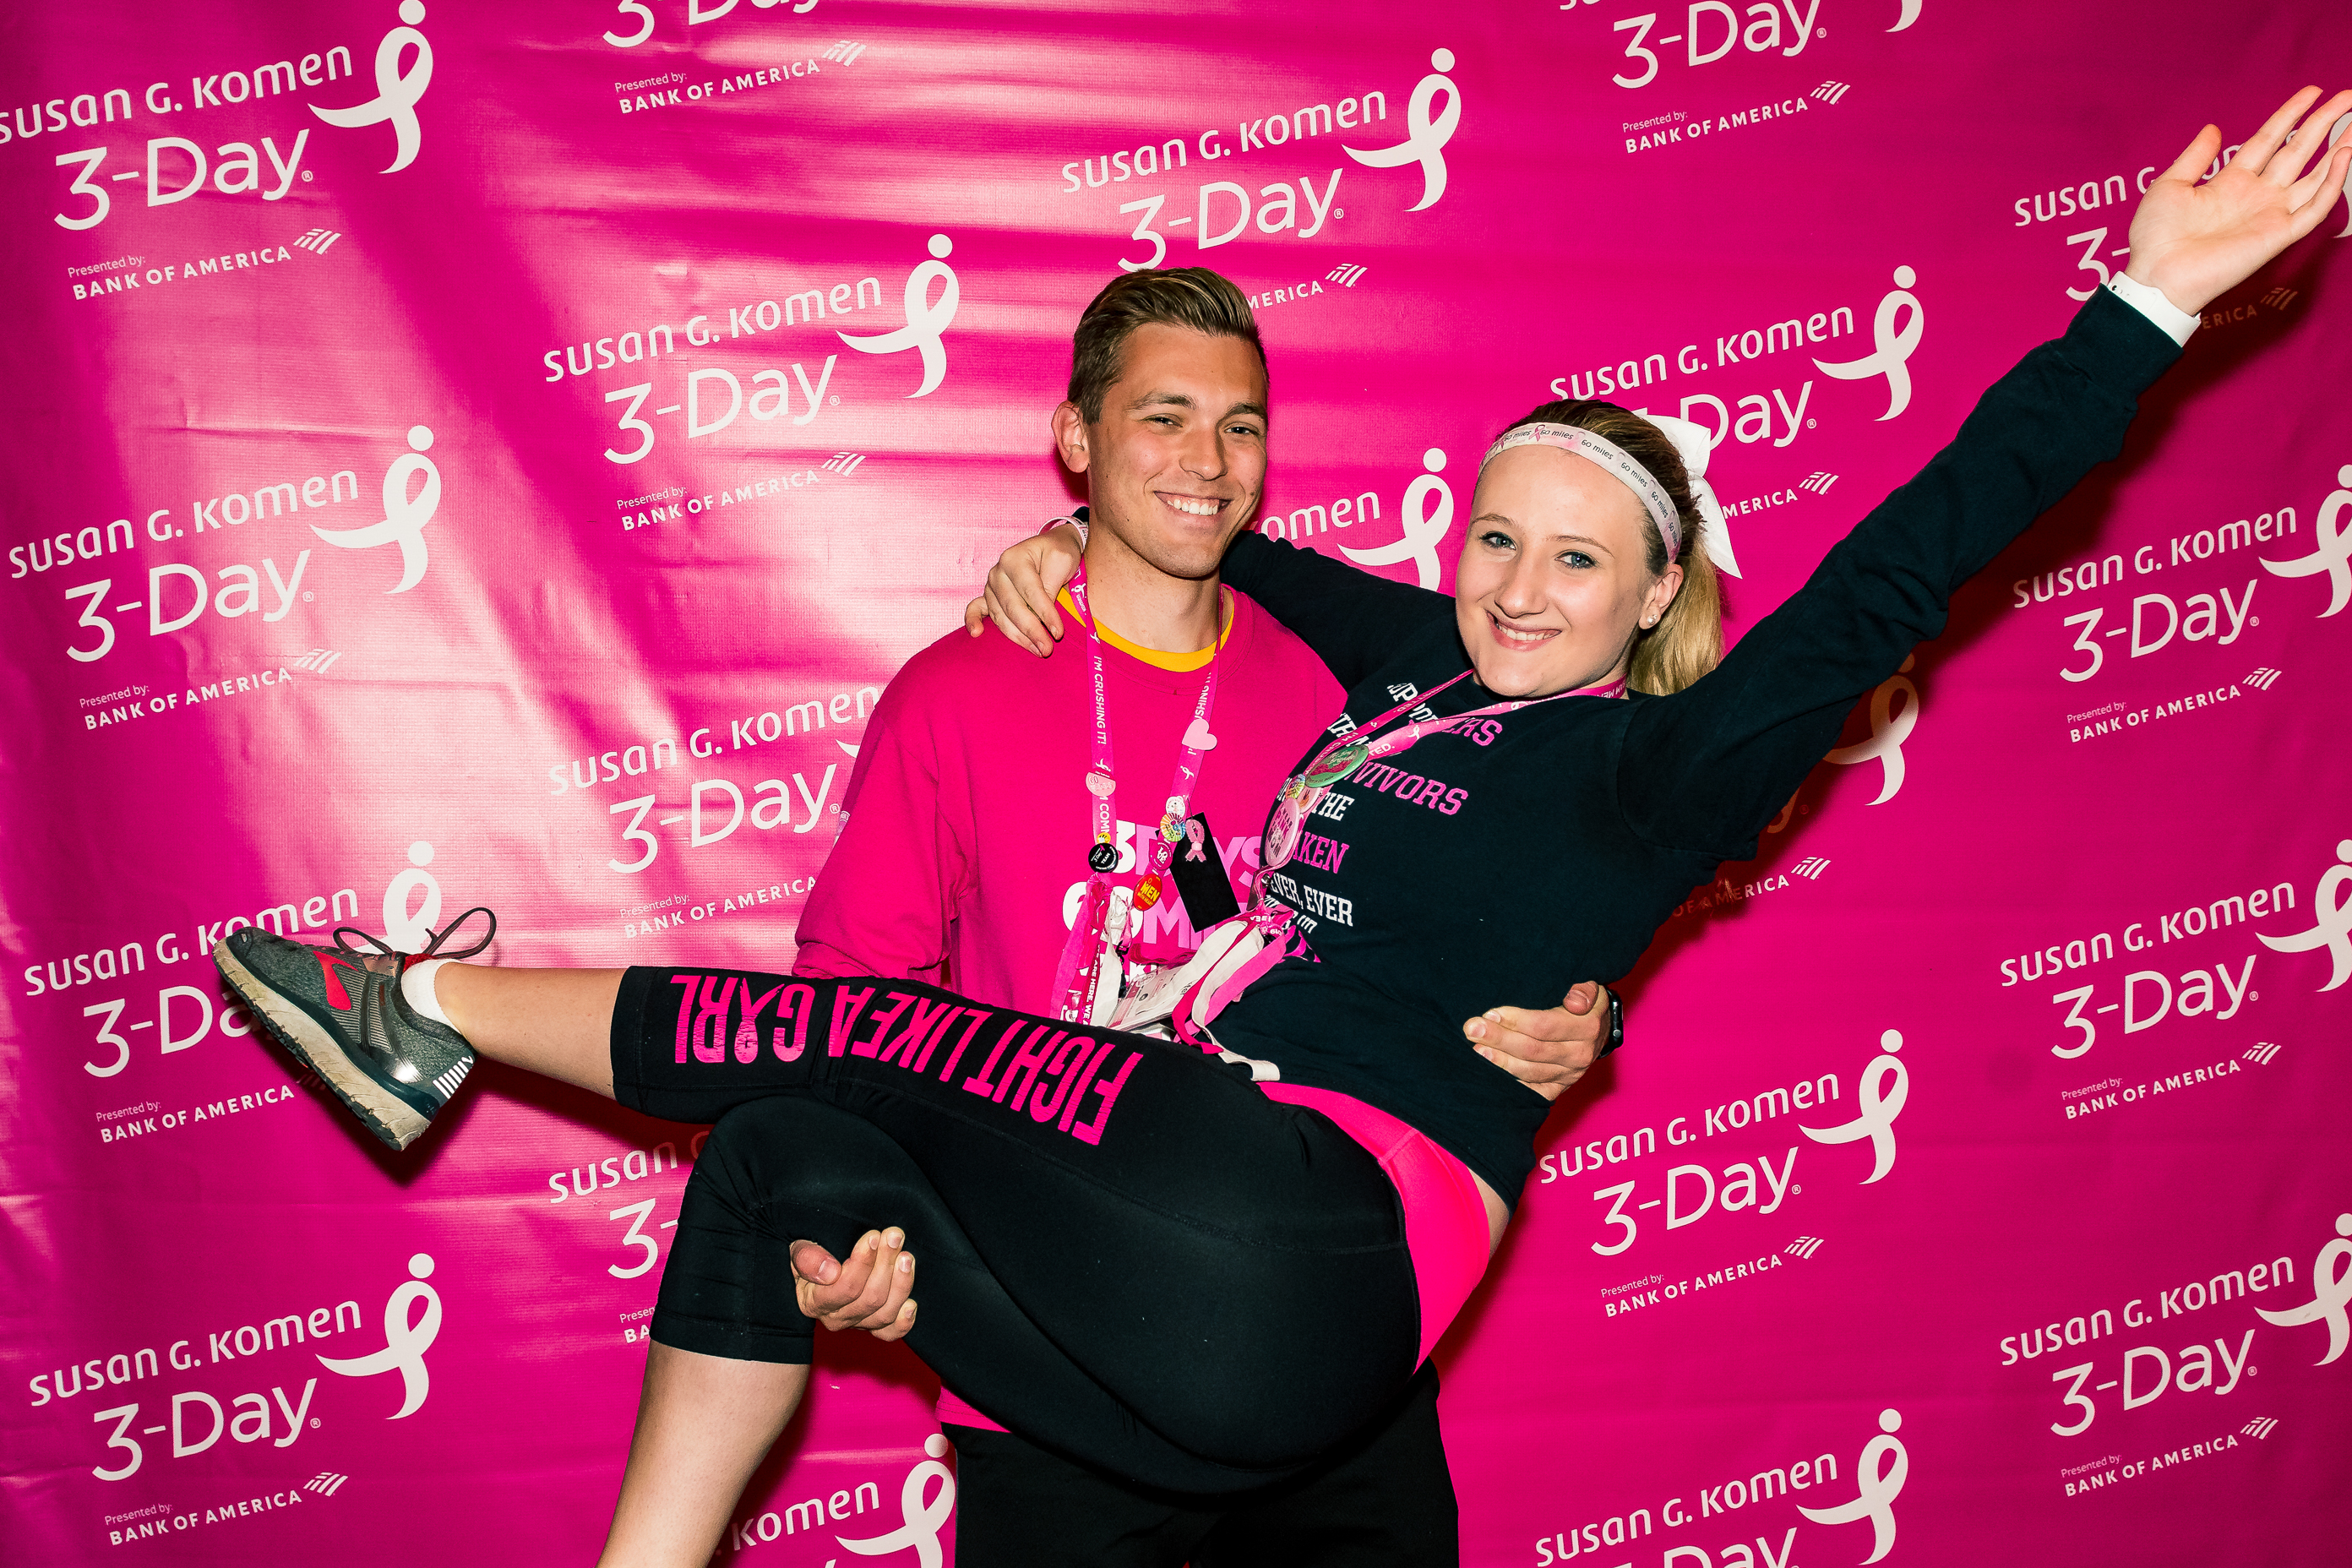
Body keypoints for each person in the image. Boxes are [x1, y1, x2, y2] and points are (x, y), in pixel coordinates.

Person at [209, 90, 2348, 1568]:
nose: (1519, 586)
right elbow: (1215, 522)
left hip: (1320, 1240)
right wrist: (1065, 539)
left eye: (1577, 561)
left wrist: (2142, 308)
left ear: (1654, 599)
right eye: (1495, 536)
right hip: (1158, 1309)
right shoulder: (1417, 666)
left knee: (874, 1043)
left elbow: (1901, 571)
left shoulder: (1656, 758)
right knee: (780, 1148)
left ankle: (418, 1011)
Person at [782, 266, 1620, 1567]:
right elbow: (848, 1004)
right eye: (1163, 417)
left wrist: (1585, 1018)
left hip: (1323, 1333)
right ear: (1077, 438)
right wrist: (841, 1218)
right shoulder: (958, 693)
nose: (1209, 461)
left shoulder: (1356, 692)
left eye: (1240, 425)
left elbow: (1508, 894)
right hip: (1056, 1348)